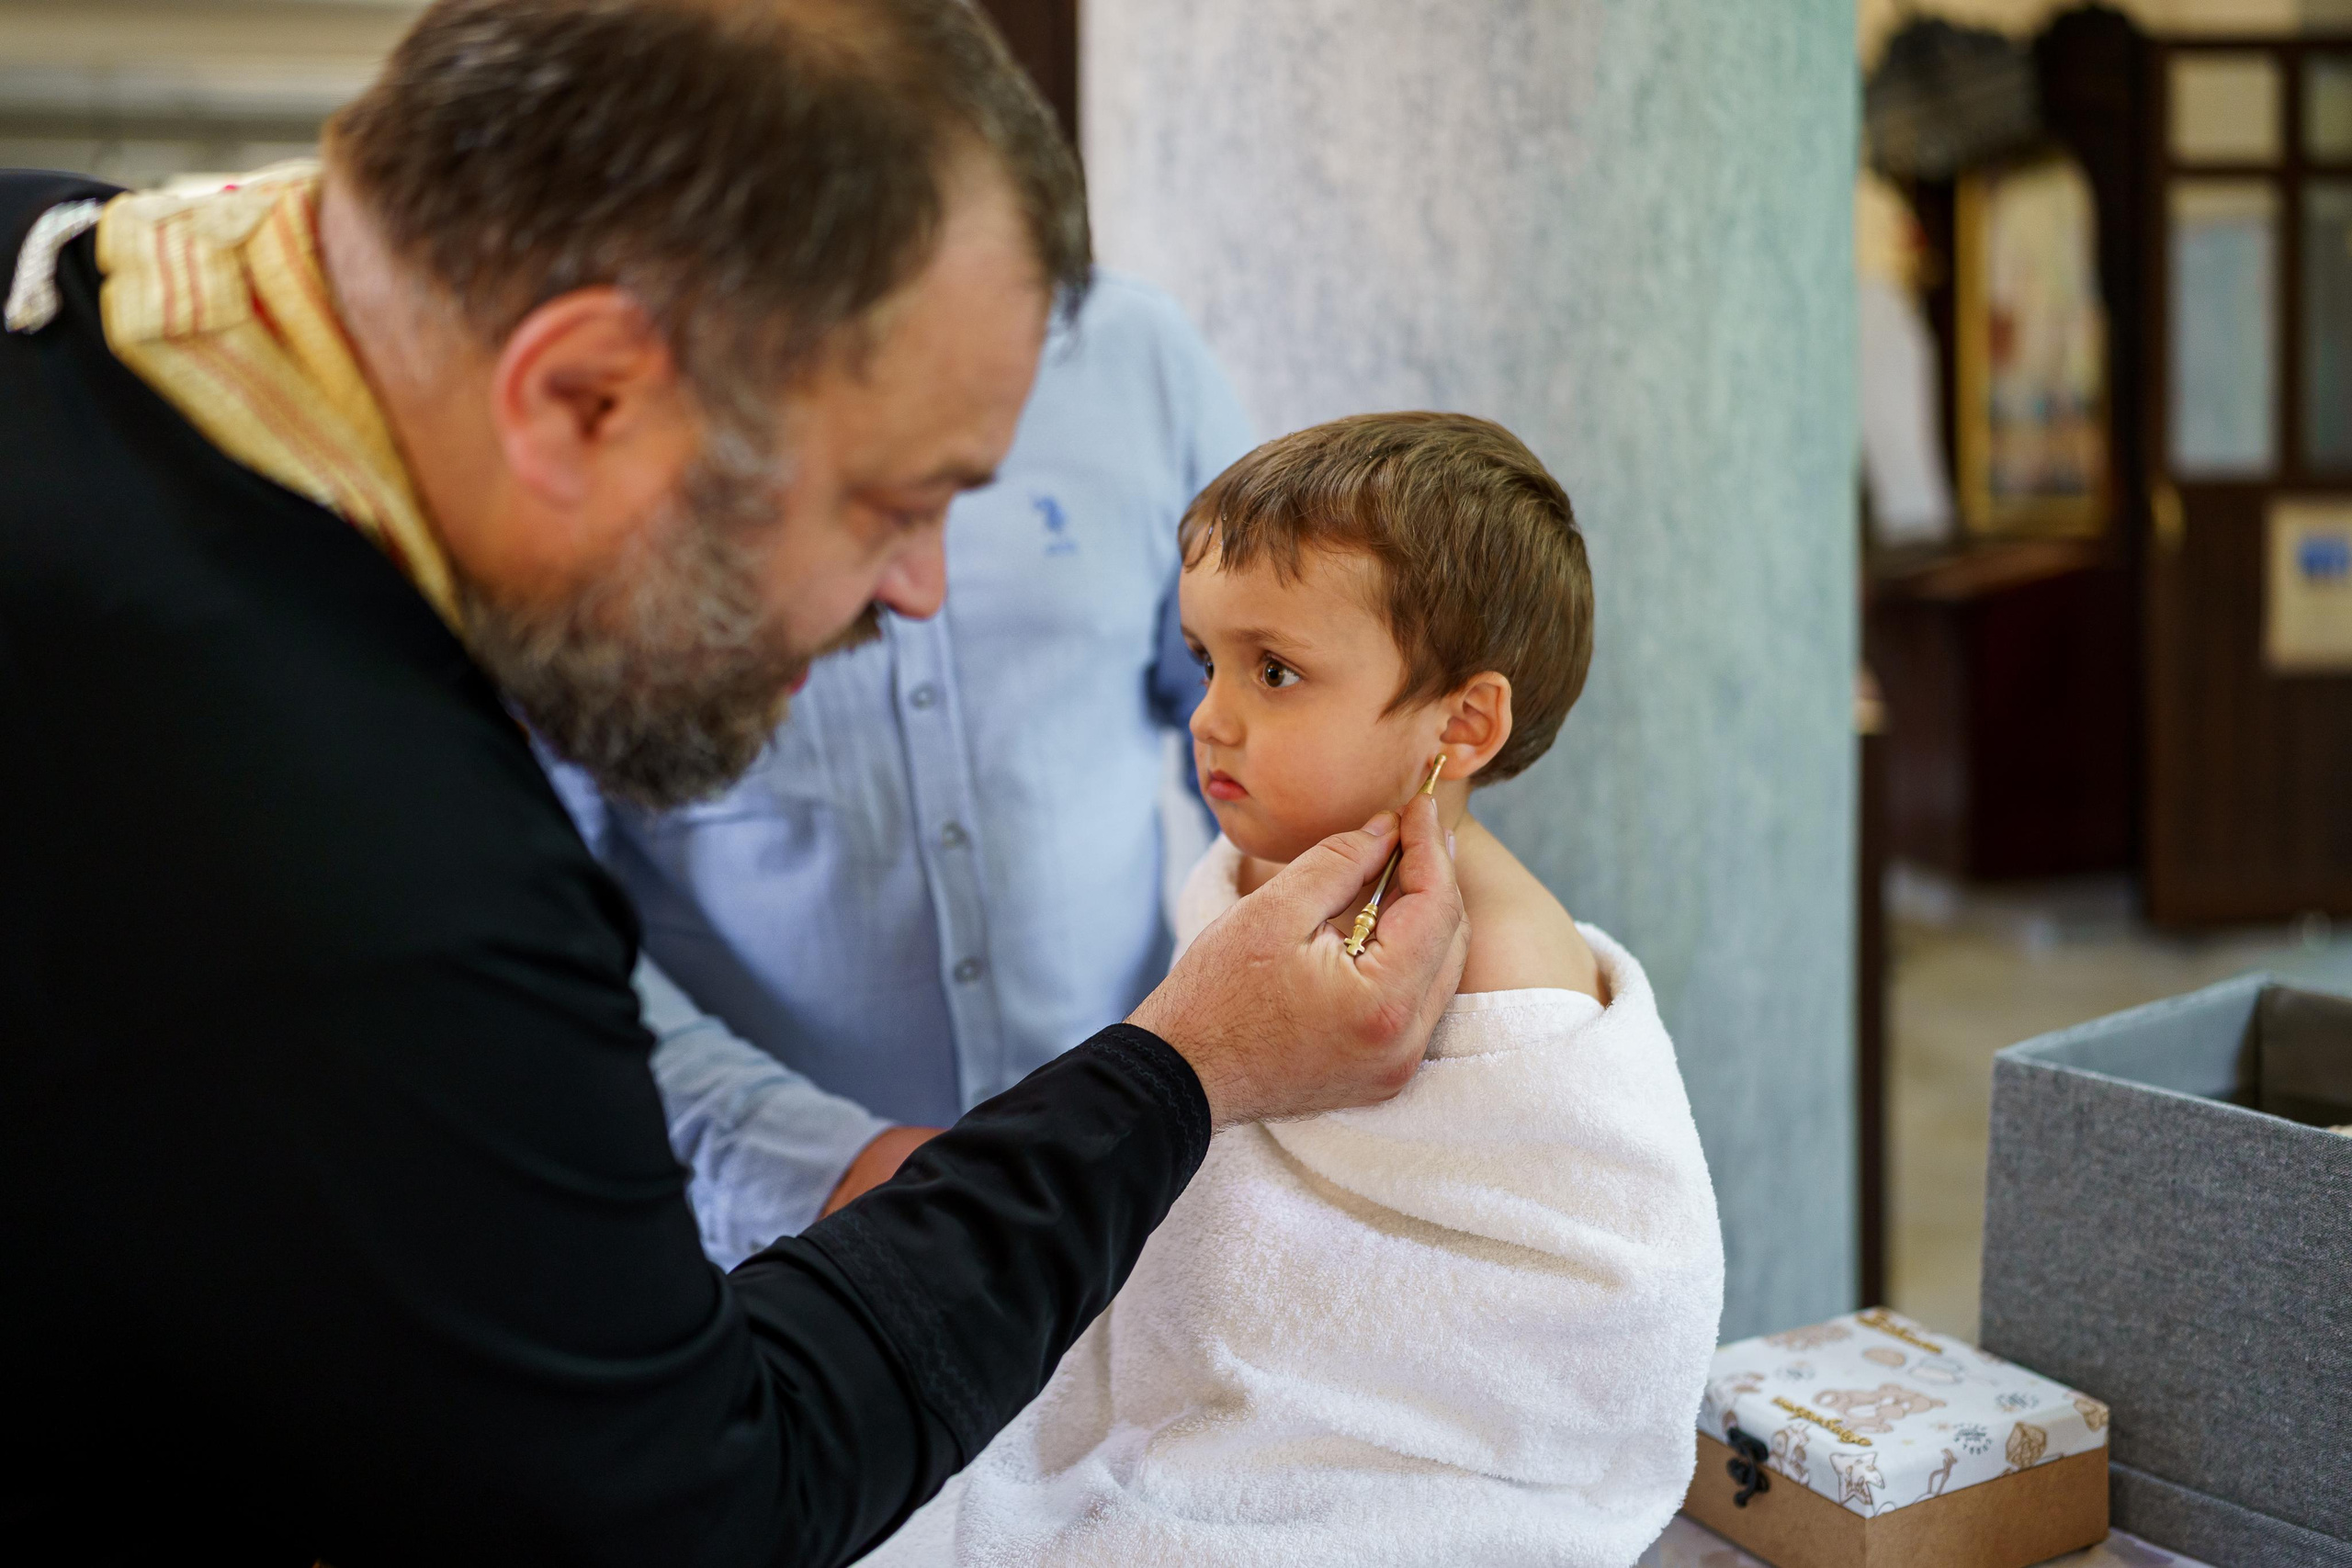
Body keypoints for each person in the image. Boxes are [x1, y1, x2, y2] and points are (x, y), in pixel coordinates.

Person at [0, 4, 1466, 1564]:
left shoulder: (70, 250)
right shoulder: (373, 879)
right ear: (582, 398)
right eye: (891, 504)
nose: (920, 592)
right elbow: (700, 1503)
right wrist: (1180, 1070)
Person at [867, 413, 1723, 1567]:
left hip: (1393, 1434)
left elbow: (1556, 1274)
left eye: (1274, 671)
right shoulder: (1242, 880)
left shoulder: (1510, 965)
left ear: (1461, 726)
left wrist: (1297, 1411)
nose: (1210, 714)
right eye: (1205, 659)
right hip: (1191, 1381)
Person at [550, 271, 1253, 1260]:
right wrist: (816, 1159)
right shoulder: (617, 418)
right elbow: (538, 909)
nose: (921, 587)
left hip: (1146, 1201)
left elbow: (1259, 717)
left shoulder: (1133, 356)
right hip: (760, 1254)